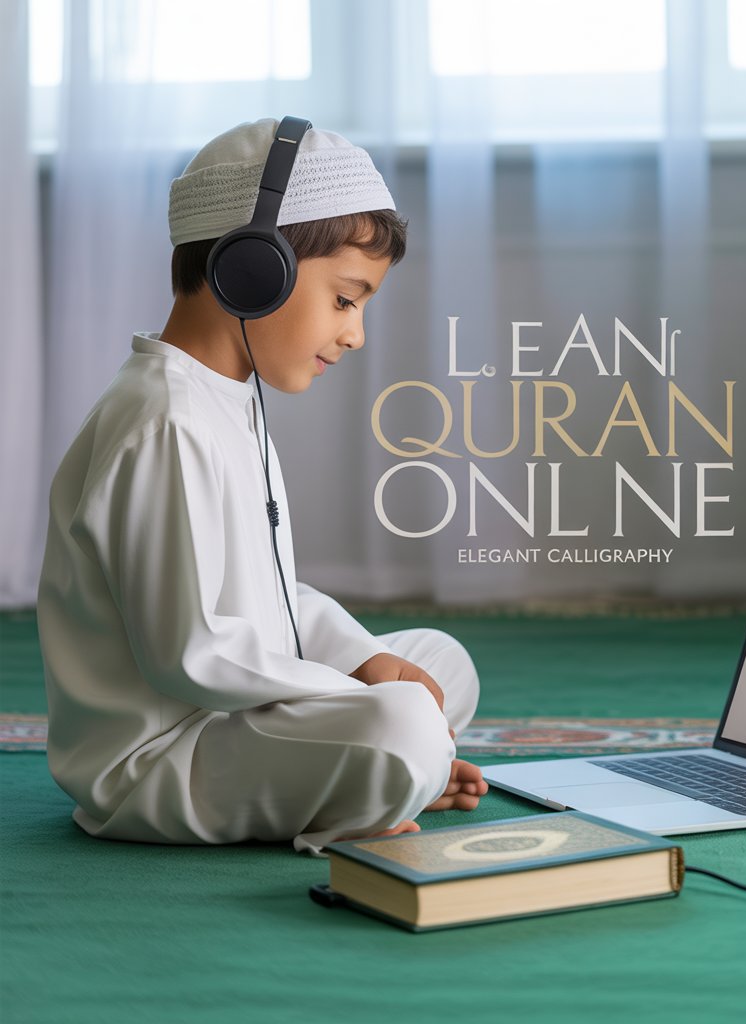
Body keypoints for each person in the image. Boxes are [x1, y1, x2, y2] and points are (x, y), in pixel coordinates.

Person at [36, 118, 487, 854]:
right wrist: (364, 694)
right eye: (346, 299)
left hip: (229, 720)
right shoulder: (167, 424)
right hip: (160, 763)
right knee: (403, 718)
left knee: (439, 665)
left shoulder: (223, 395)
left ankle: (387, 771)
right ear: (253, 270)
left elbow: (270, 596)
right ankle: (386, 775)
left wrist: (364, 660)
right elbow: (193, 653)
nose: (355, 334)